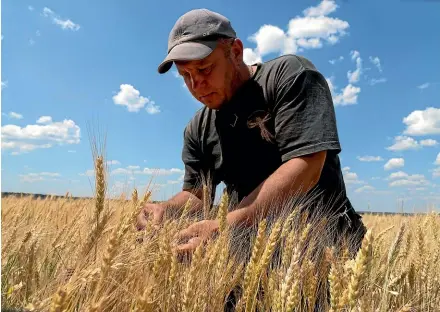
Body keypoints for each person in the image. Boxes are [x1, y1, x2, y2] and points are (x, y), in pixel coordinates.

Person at [136, 8, 366, 261]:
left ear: (235, 52)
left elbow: (307, 165)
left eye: (203, 69)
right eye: (185, 76)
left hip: (324, 252)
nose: (195, 85)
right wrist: (165, 209)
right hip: (250, 258)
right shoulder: (198, 128)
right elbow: (198, 195)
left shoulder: (288, 76)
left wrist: (227, 223)